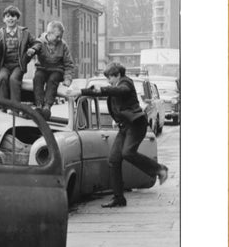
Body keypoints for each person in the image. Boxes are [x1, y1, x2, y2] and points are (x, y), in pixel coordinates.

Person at [69, 62, 169, 208]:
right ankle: (118, 198)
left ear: (118, 75)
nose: (109, 81)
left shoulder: (126, 83)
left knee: (128, 152)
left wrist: (91, 91)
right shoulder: (117, 85)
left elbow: (119, 91)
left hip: (136, 125)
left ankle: (160, 169)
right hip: (125, 127)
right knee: (114, 160)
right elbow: (112, 97)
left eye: (110, 78)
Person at [0, 5, 39, 104]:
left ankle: (15, 109)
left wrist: (33, 49)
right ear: (4, 19)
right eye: (8, 16)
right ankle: (2, 107)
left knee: (14, 80)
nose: (10, 18)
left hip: (18, 65)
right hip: (4, 65)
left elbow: (37, 43)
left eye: (13, 16)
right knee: (2, 78)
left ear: (17, 19)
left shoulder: (25, 33)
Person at [32, 21, 74, 120]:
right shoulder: (40, 42)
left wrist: (67, 79)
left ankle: (47, 106)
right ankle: (39, 105)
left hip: (57, 70)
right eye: (57, 36)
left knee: (52, 80)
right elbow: (32, 49)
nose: (59, 39)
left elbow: (69, 64)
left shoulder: (63, 45)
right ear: (49, 33)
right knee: (37, 78)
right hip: (42, 68)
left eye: (61, 36)